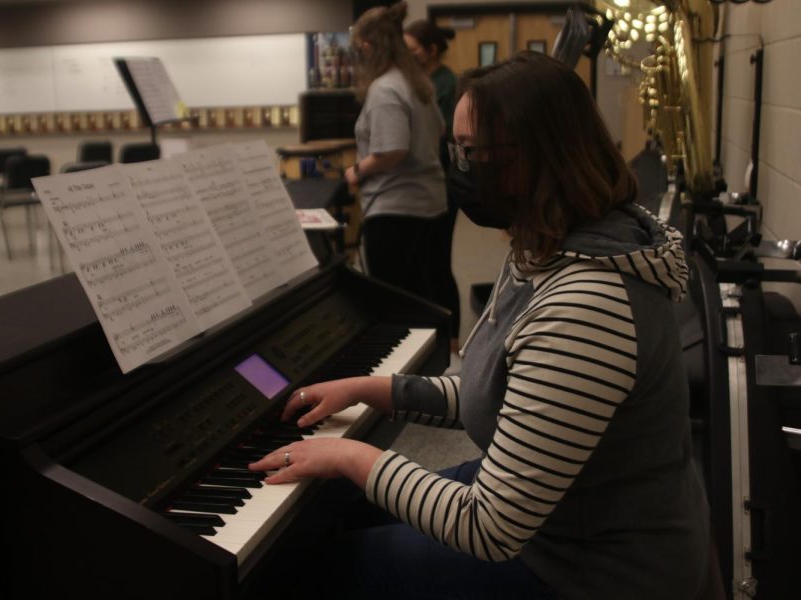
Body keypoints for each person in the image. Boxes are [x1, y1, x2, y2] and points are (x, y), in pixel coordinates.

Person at [251, 51, 710, 599]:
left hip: (588, 571)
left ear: (539, 159)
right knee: (343, 512)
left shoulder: (588, 303)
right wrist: (372, 388)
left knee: (318, 570)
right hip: (556, 522)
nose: (459, 168)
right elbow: (509, 390)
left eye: (472, 153)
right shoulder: (555, 242)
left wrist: (351, 454)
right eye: (456, 150)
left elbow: (487, 527)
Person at [343, 2, 447, 314]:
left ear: (367, 47)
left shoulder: (385, 88)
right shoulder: (417, 83)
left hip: (396, 211)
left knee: (393, 303)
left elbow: (392, 150)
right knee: (421, 295)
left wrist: (357, 170)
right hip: (430, 204)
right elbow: (439, 130)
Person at [404, 19, 462, 354]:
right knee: (424, 264)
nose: (408, 56)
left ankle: (452, 340)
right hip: (425, 186)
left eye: (413, 51)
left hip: (442, 185)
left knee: (438, 263)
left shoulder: (446, 83)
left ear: (431, 50)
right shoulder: (421, 81)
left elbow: (440, 137)